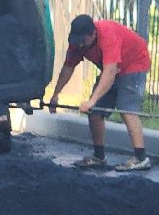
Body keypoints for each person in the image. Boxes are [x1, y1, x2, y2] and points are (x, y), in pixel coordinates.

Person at [48, 14, 153, 172]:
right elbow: (68, 67)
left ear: (93, 34)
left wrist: (92, 100)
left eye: (83, 40)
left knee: (126, 109)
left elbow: (110, 72)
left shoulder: (107, 35)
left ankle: (141, 158)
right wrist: (55, 95)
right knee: (95, 112)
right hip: (113, 68)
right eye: (78, 41)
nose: (80, 45)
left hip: (134, 63)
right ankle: (99, 157)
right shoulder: (78, 43)